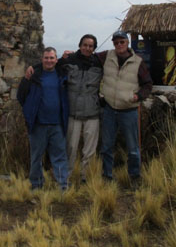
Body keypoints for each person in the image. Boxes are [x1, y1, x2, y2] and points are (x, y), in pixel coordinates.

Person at [97, 30, 153, 185]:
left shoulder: (137, 62)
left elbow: (148, 84)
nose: (119, 45)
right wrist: (69, 55)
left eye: (122, 41)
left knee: (133, 147)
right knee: (107, 146)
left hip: (129, 111)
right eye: (116, 42)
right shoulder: (106, 56)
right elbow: (87, 57)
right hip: (109, 109)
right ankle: (107, 176)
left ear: (127, 42)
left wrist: (138, 96)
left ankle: (134, 177)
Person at [17, 47, 70, 190]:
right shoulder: (34, 76)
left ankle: (62, 186)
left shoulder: (61, 74)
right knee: (36, 157)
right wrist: (30, 112)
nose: (49, 60)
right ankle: (36, 185)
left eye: (52, 58)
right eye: (46, 58)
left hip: (57, 124)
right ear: (42, 59)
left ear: (56, 60)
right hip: (38, 124)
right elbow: (21, 96)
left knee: (59, 157)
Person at [60, 34, 103, 182]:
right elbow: (51, 66)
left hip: (92, 113)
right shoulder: (69, 60)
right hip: (73, 113)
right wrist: (33, 68)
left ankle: (86, 178)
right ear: (80, 45)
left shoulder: (99, 62)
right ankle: (67, 176)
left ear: (94, 48)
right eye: (85, 45)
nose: (87, 48)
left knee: (89, 150)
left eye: (90, 46)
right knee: (70, 148)